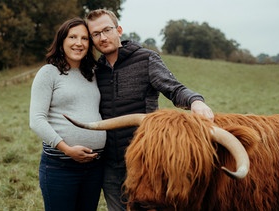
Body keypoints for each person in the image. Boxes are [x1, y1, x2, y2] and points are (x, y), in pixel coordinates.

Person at [85, 9, 215, 211]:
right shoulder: (96, 70)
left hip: (144, 161)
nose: (102, 37)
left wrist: (195, 101)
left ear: (119, 30)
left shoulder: (145, 59)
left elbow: (174, 88)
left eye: (107, 30)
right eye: (95, 34)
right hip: (110, 162)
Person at [29, 17, 106, 211]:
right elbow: (36, 120)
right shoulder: (49, 73)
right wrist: (67, 149)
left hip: (94, 167)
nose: (79, 43)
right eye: (73, 37)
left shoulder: (93, 73)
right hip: (60, 167)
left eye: (84, 38)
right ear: (62, 41)